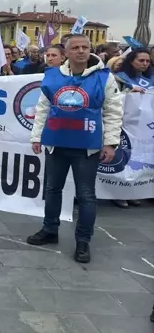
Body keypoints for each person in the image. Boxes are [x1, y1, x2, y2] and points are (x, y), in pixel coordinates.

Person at [27, 34, 123, 263]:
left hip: (87, 147)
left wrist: (110, 143)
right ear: (67, 52)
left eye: (85, 47)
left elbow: (113, 111)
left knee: (86, 195)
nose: (81, 51)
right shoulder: (52, 77)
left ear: (90, 50)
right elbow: (43, 109)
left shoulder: (104, 78)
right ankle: (50, 229)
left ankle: (83, 241)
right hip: (56, 143)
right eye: (76, 47)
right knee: (52, 189)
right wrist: (37, 137)